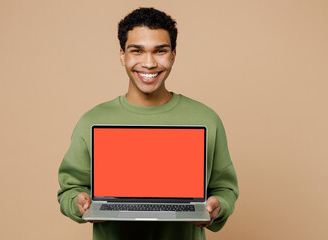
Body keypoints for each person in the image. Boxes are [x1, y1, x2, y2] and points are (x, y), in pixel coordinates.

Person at [57, 7, 239, 240]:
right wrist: (78, 202)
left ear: (173, 54)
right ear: (122, 55)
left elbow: (225, 189)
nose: (149, 63)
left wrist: (218, 205)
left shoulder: (206, 119)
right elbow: (70, 190)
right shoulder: (92, 120)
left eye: (160, 51)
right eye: (137, 51)